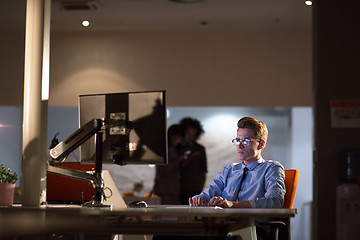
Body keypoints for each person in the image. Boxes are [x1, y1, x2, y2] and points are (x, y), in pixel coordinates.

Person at [189, 116, 285, 209]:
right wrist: (198, 199)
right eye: (238, 140)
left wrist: (233, 205)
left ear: (261, 144)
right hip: (225, 223)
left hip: (253, 224)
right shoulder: (229, 170)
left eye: (246, 141)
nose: (239, 146)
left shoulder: (271, 168)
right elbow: (208, 194)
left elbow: (275, 201)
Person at [178, 117, 207, 205]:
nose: (191, 137)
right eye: (189, 134)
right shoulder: (177, 147)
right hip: (179, 189)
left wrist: (200, 190)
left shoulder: (200, 149)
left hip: (195, 189)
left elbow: (203, 171)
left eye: (193, 135)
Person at [152, 124, 183, 204]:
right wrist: (178, 160)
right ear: (172, 136)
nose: (179, 140)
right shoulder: (163, 150)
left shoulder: (174, 150)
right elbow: (163, 169)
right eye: (178, 137)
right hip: (165, 188)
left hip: (174, 188)